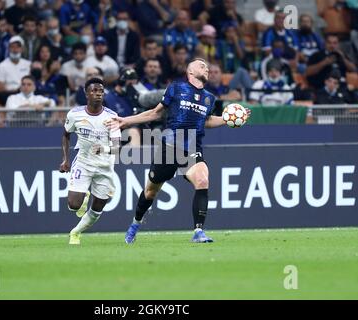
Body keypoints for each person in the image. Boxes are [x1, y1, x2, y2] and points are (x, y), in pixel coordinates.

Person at [107, 58, 251, 243]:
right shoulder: (176, 88)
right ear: (190, 72)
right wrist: (127, 121)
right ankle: (135, 223)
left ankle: (198, 232)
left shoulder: (209, 98)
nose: (206, 68)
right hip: (170, 147)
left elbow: (205, 121)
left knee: (202, 179)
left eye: (207, 67)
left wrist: (226, 119)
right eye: (202, 66)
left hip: (192, 148)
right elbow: (155, 113)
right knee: (151, 191)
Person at [59, 77, 121, 245]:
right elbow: (66, 134)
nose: (98, 94)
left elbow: (117, 147)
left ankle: (76, 232)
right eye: (94, 90)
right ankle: (83, 196)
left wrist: (103, 149)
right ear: (86, 93)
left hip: (105, 166)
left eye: (101, 91)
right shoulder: (75, 114)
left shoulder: (112, 117)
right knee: (73, 205)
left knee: (97, 209)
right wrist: (65, 159)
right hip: (84, 162)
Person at [0, 35, 31, 104]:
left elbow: (32, 84)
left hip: (27, 94)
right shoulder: (1, 66)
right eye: (12, 47)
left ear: (22, 49)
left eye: (18, 47)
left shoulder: (28, 64)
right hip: (9, 96)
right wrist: (16, 91)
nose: (15, 50)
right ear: (8, 49)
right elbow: (0, 89)